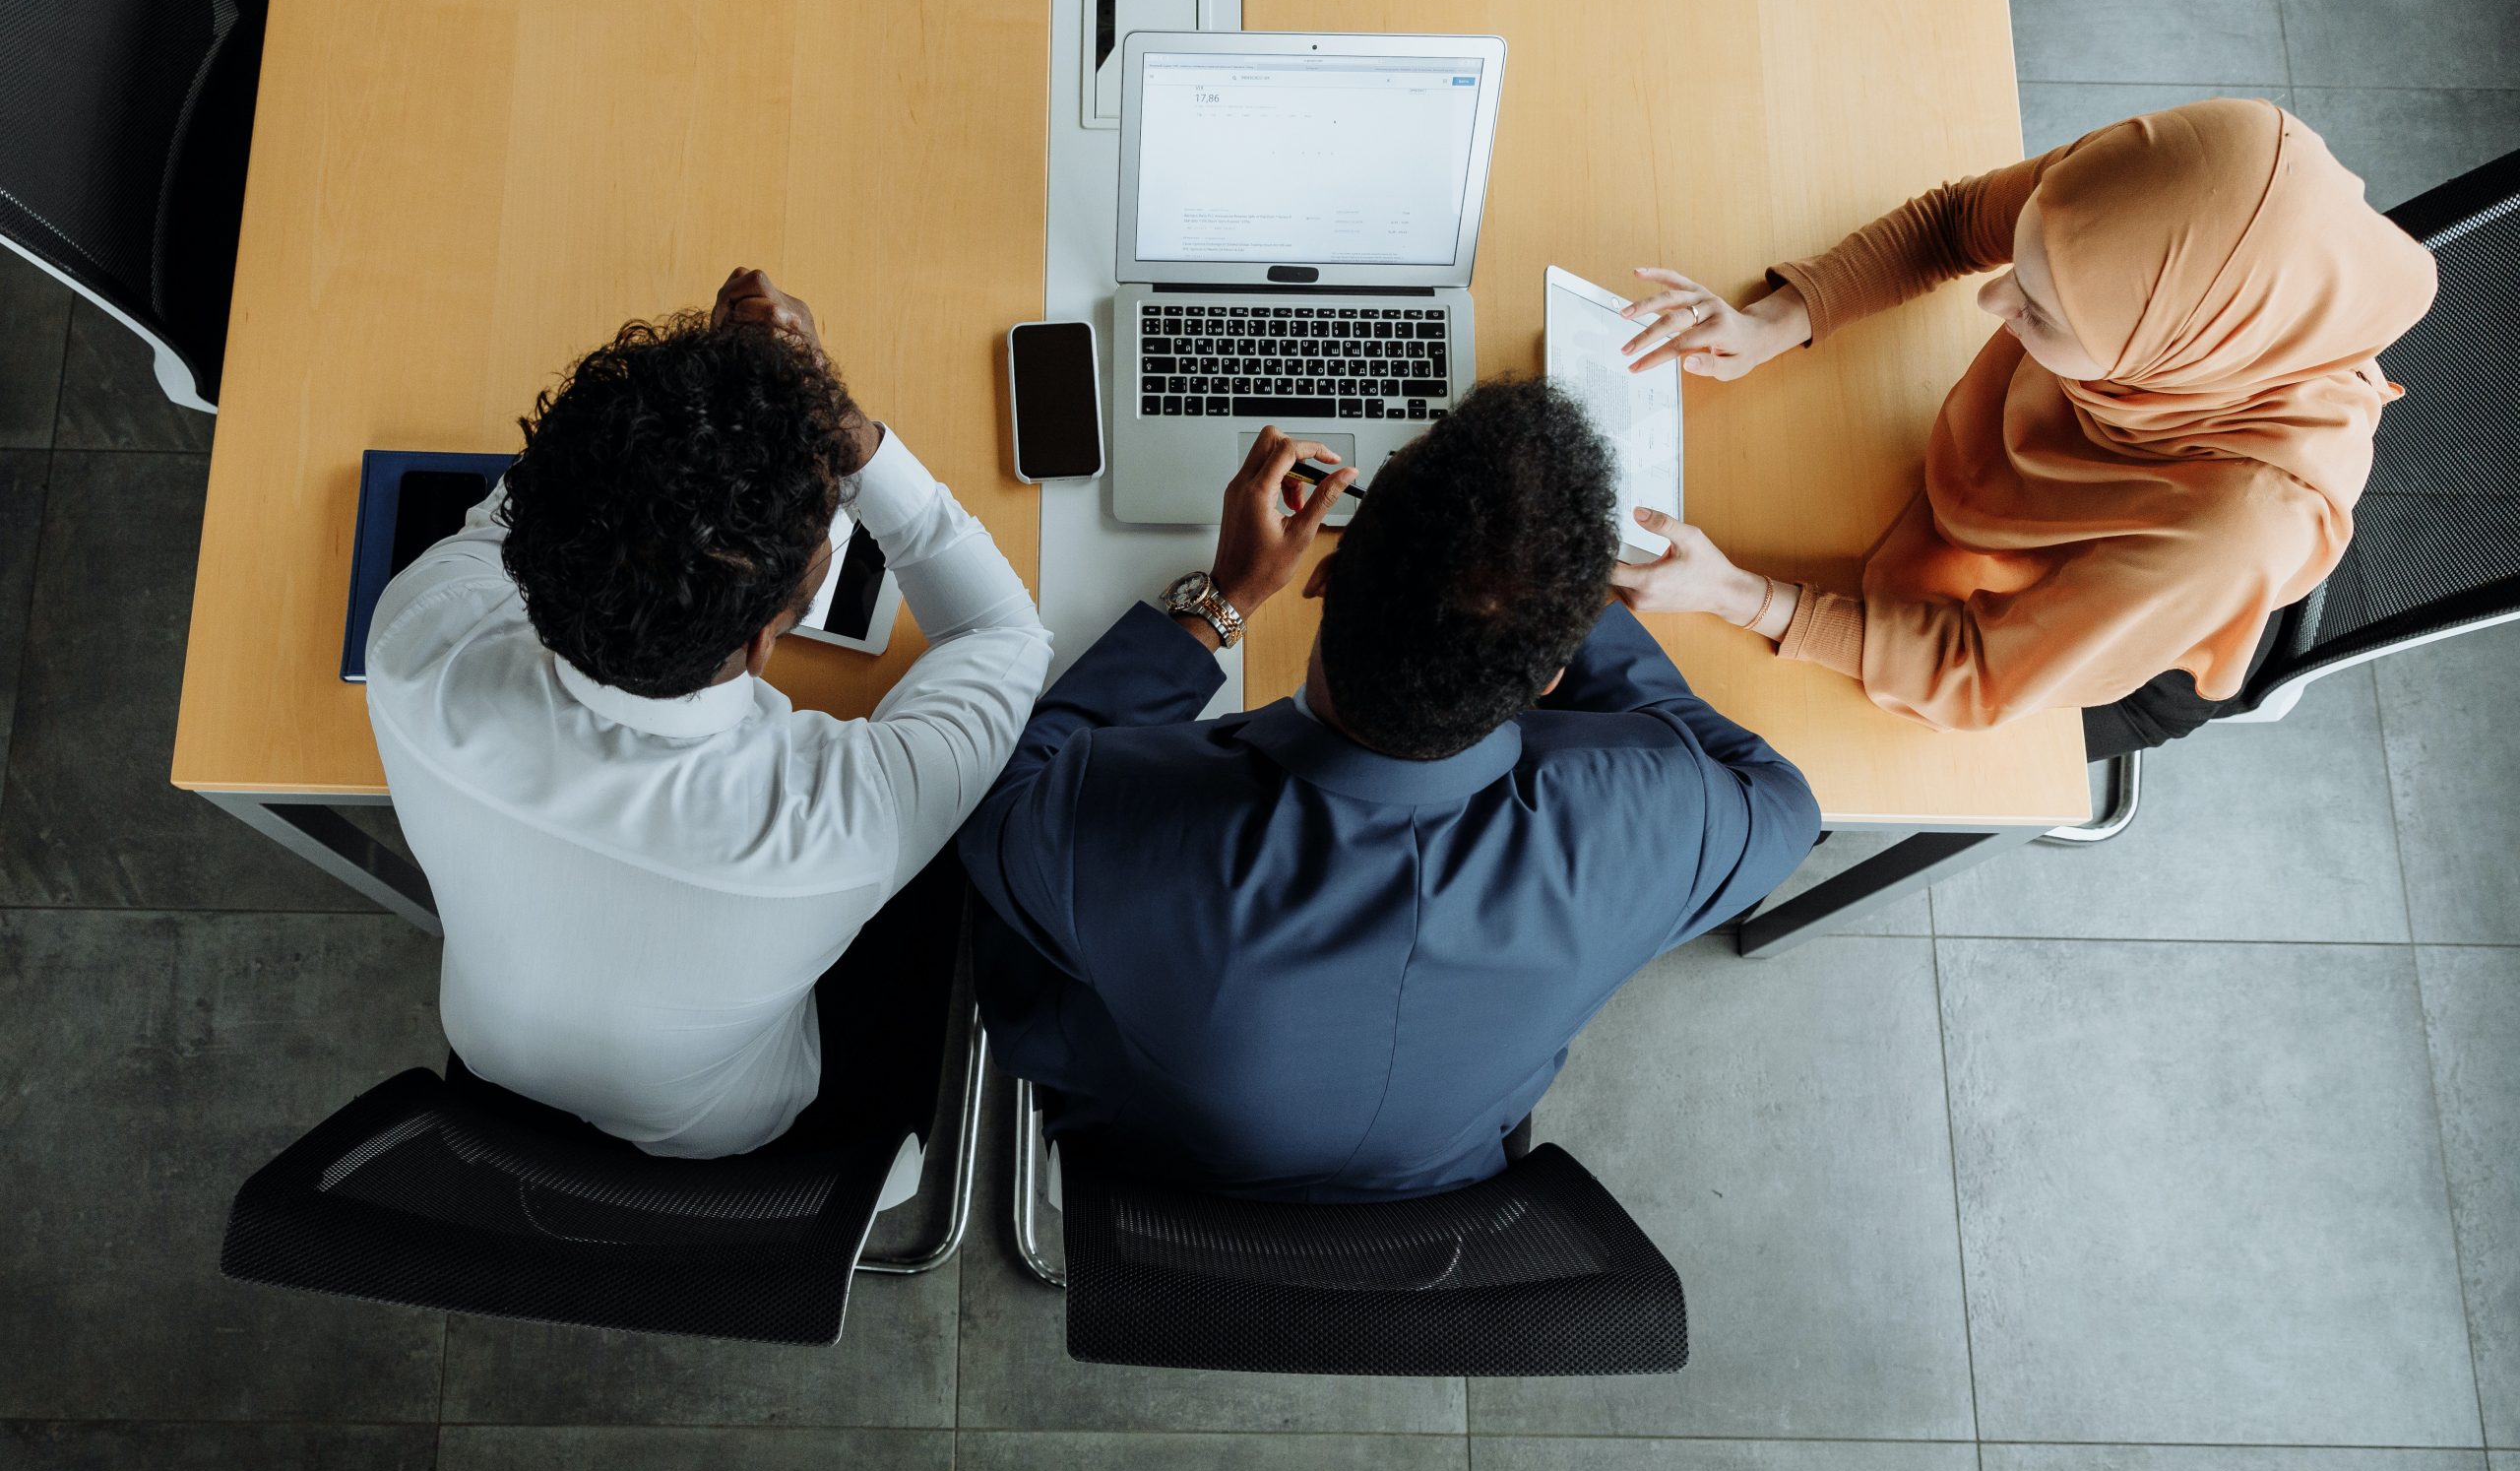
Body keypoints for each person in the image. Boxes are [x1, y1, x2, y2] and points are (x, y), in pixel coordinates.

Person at [958, 382, 1820, 1201]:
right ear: (1554, 676)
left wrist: (1220, 601)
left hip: (1151, 1152)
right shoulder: (1652, 817)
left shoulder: (1116, 816)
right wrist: (1537, 588)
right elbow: (1782, 799)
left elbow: (997, 801)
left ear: (1321, 579)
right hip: (1440, 1186)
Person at [366, 269, 1051, 1158]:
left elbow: (521, 510)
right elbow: (1001, 631)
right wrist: (840, 427)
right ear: (768, 640)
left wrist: (684, 411)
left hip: (493, 1058)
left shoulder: (419, 645)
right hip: (724, 1131)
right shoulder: (841, 825)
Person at [1604, 98, 2437, 758]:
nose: (1991, 302)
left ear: (2160, 353)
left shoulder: (2236, 529)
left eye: (2039, 310)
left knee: (1805, 743)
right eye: (2022, 267)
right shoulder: (2161, 191)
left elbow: (1974, 675)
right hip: (2021, 507)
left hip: (2104, 649)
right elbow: (1955, 223)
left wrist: (1737, 596)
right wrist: (1777, 321)